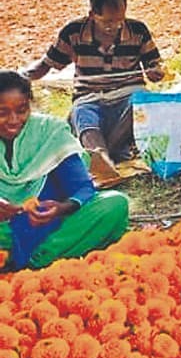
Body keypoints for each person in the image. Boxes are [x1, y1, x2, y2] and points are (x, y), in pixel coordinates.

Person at [22, 0, 163, 183]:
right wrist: (19, 78)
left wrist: (156, 71)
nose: (114, 27)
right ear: (91, 15)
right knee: (83, 114)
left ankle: (104, 158)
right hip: (89, 96)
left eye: (119, 20)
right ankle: (103, 158)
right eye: (107, 22)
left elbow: (155, 64)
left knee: (143, 103)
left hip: (128, 96)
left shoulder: (138, 30)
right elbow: (46, 65)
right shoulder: (73, 32)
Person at [0, 71, 128, 271]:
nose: (14, 120)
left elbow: (83, 189)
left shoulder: (49, 133)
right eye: (2, 113)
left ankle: (40, 258)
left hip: (52, 226)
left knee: (115, 204)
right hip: (5, 230)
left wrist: (61, 208)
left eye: (22, 110)